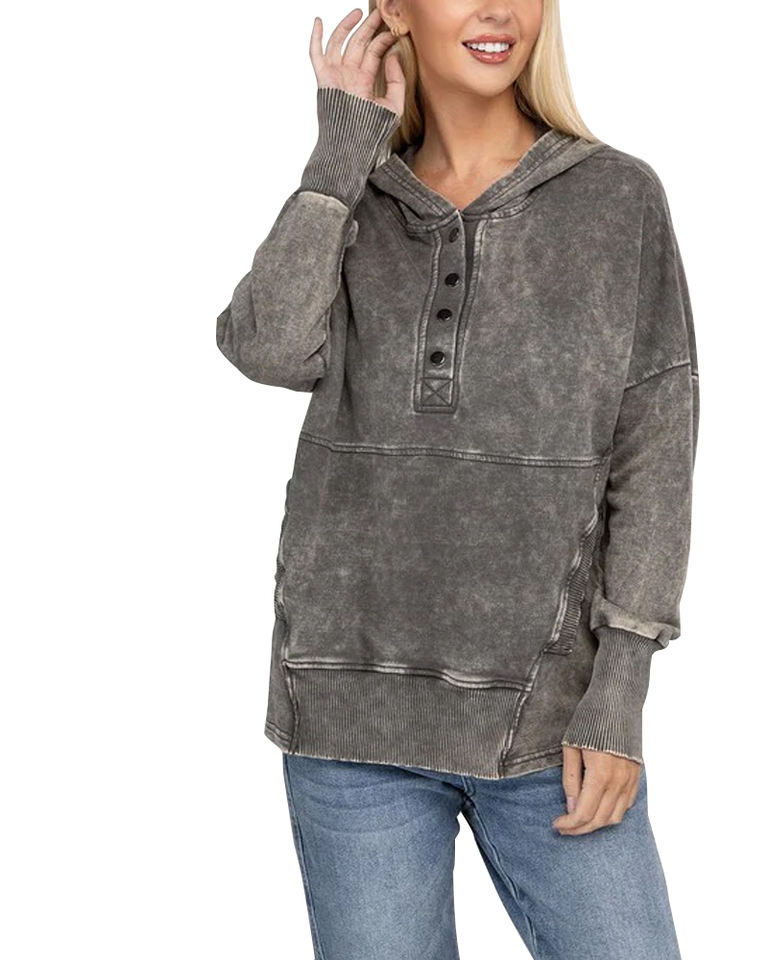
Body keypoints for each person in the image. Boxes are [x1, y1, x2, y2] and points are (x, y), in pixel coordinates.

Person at [216, 3, 698, 957]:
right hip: (348, 712)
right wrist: (339, 153)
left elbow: (656, 449)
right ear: (394, 9)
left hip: (548, 719)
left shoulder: (615, 198)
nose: (497, 10)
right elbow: (267, 348)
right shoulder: (355, 195)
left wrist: (621, 687)